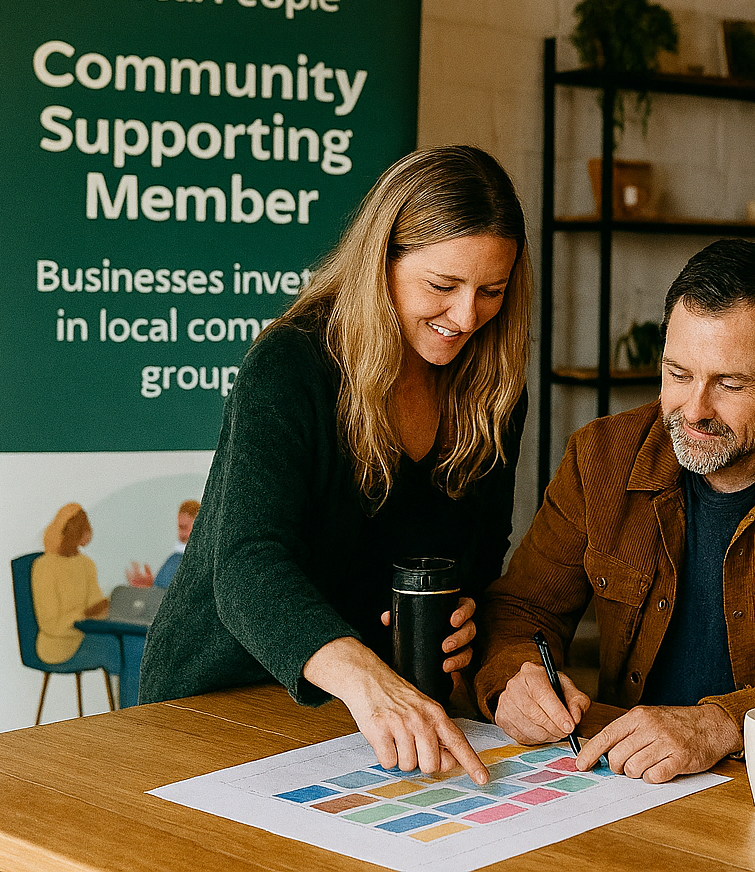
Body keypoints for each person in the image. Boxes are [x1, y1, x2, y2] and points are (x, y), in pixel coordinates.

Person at [140, 145, 532, 785]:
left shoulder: (493, 388)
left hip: (364, 717)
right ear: (383, 260)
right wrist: (366, 678)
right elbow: (246, 563)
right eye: (442, 285)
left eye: (491, 290)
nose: (466, 318)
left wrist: (467, 622)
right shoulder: (291, 364)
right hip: (221, 695)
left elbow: (481, 554)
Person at [474, 239, 755, 783]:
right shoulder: (600, 457)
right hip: (629, 783)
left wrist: (717, 726)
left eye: (730, 384)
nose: (693, 409)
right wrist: (514, 678)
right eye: (678, 374)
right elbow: (523, 610)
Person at [31, 502, 118, 670]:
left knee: (121, 644)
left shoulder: (86, 564)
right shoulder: (44, 566)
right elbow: (50, 624)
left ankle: (132, 697)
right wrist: (83, 614)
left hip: (83, 636)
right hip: (55, 646)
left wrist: (109, 604)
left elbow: (95, 605)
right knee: (115, 649)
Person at [126, 499, 199, 589]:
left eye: (184, 527)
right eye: (179, 528)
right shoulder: (174, 560)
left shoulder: (207, 563)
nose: (181, 534)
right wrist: (150, 585)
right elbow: (159, 594)